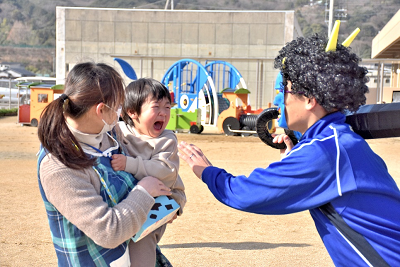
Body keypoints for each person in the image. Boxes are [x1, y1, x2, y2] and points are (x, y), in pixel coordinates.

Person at [177, 34, 400, 266]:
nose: (279, 99)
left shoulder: (325, 152)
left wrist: (207, 171)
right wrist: (294, 156)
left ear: (310, 99)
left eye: (285, 89)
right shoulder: (337, 140)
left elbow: (246, 194)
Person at [37, 62, 172, 266]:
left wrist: (161, 207)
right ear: (101, 110)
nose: (120, 113)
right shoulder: (58, 166)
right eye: (118, 105)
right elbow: (108, 231)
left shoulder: (110, 134)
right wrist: (144, 193)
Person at [111, 78, 186, 266]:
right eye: (156, 107)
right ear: (132, 112)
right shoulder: (118, 131)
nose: (163, 113)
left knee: (141, 241)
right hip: (129, 199)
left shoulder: (167, 139)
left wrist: (130, 164)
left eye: (167, 108)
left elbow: (164, 172)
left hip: (161, 201)